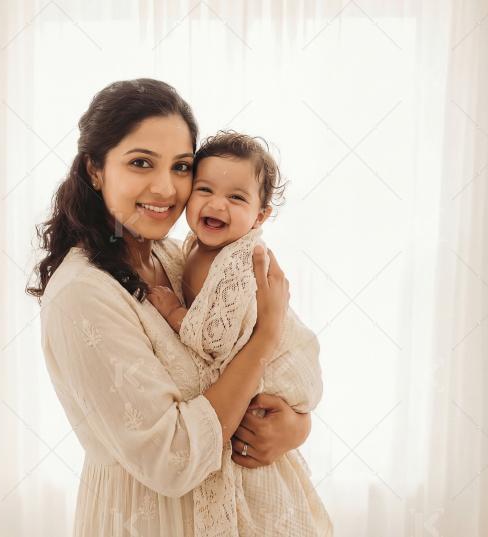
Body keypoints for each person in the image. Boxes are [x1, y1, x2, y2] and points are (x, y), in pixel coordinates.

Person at [27, 78, 309, 536]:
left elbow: (277, 370)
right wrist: (266, 335)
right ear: (95, 169)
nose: (165, 188)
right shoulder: (83, 294)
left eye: (181, 167)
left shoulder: (176, 256)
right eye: (141, 163)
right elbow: (174, 458)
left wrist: (296, 426)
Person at [147, 131, 333, 536]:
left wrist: (175, 313)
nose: (217, 204)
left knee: (266, 497)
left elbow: (216, 339)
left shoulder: (239, 262)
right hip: (233, 405)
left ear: (260, 216)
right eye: (205, 189)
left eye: (236, 198)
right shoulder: (193, 245)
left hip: (275, 376)